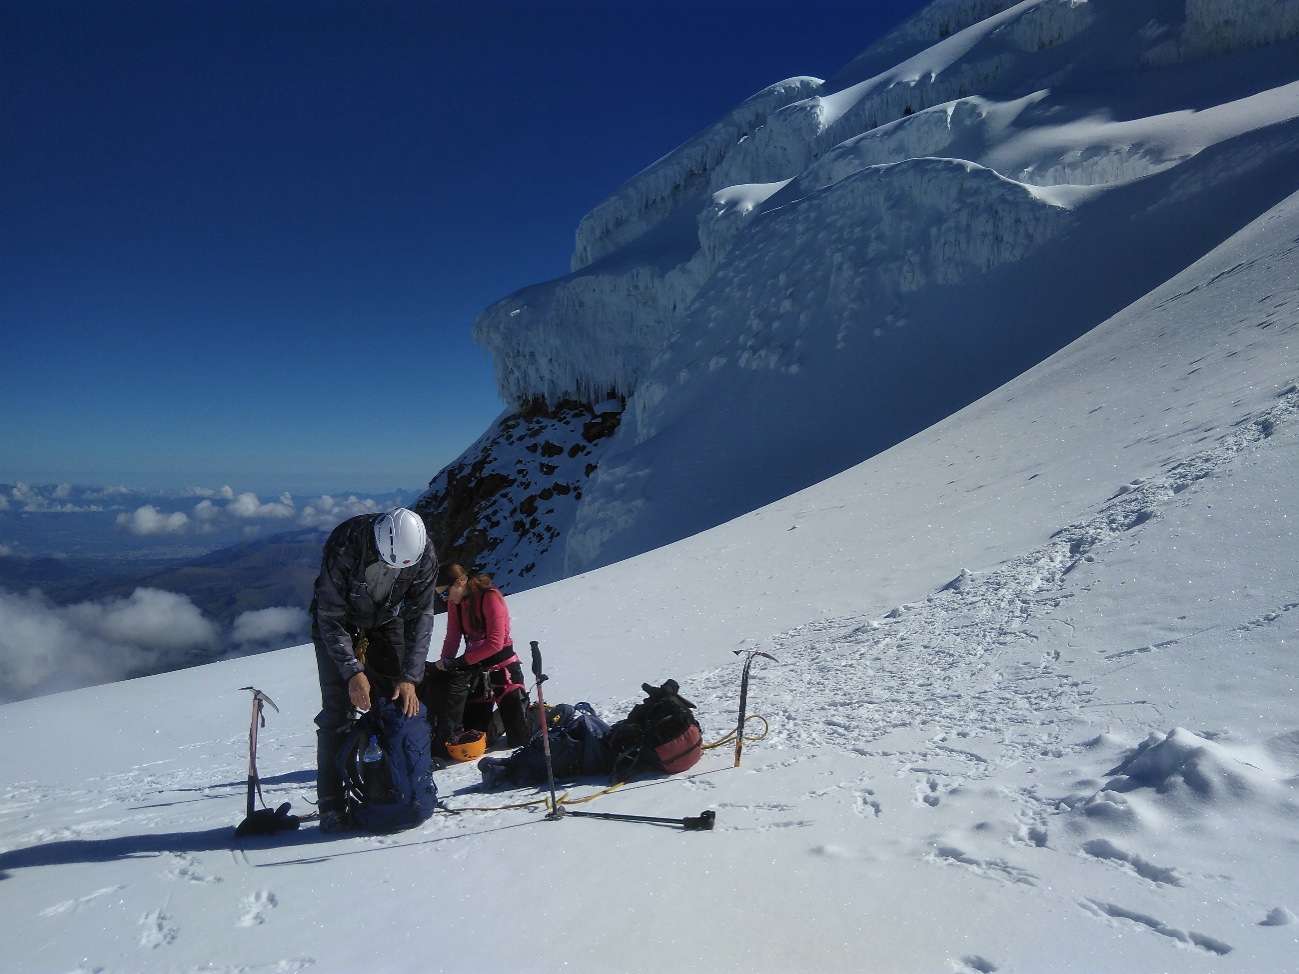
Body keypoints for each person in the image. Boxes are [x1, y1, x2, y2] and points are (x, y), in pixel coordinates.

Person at [311, 508, 438, 832]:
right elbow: (330, 616)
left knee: (400, 703)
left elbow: (422, 613)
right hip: (337, 622)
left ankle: (397, 786)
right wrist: (353, 672)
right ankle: (332, 805)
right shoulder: (347, 544)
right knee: (337, 713)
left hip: (387, 619)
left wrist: (410, 677)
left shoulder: (421, 552)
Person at [430, 564, 532, 750]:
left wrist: (460, 661)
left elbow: (495, 643)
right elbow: (453, 637)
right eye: (441, 595)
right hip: (477, 673)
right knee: (473, 737)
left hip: (503, 671)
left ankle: (526, 712)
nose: (446, 598)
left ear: (461, 581)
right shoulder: (456, 603)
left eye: (446, 592)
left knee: (519, 739)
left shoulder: (490, 597)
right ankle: (502, 717)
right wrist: (446, 662)